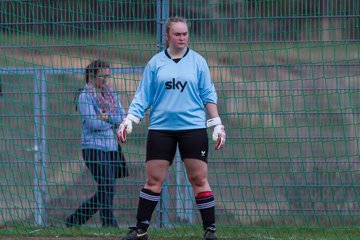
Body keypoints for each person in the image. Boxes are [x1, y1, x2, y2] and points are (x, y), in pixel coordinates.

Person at [117, 17, 225, 240]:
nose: (182, 38)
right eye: (177, 34)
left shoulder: (198, 62)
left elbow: (208, 94)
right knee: (153, 180)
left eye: (185, 34)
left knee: (199, 179)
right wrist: (129, 119)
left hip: (192, 129)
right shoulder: (156, 63)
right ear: (167, 36)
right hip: (161, 129)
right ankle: (140, 231)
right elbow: (143, 96)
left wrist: (216, 123)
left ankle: (210, 231)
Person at [66, 59, 128, 228]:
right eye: (102, 76)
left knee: (107, 187)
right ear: (92, 77)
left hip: (111, 148)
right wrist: (111, 121)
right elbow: (92, 123)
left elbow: (122, 118)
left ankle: (74, 220)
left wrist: (107, 117)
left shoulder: (112, 95)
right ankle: (109, 224)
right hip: (93, 148)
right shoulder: (85, 96)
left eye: (108, 76)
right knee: (107, 184)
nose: (106, 80)